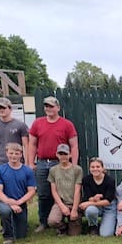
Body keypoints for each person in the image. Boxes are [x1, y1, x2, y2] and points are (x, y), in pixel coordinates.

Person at [28, 96, 79, 232]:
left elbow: (74, 146)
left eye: (51, 106)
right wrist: (30, 162)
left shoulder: (67, 124)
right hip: (42, 163)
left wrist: (73, 164)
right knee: (44, 194)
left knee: (62, 192)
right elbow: (32, 144)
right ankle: (44, 222)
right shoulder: (37, 123)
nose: (48, 109)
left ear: (58, 108)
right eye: (46, 106)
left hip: (60, 162)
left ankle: (59, 221)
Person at [0, 143, 36, 244]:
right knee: (5, 211)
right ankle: (8, 236)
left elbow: (31, 190)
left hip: (20, 202)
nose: (14, 156)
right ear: (6, 154)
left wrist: (19, 202)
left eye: (17, 153)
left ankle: (15, 224)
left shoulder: (28, 171)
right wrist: (10, 203)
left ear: (21, 155)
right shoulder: (0, 169)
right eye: (11, 153)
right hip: (5, 201)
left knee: (21, 235)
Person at [0, 97, 29, 178]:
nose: (1, 110)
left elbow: (26, 145)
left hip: (18, 162)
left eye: (4, 108)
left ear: (10, 109)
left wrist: (26, 164)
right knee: (1, 188)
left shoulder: (20, 125)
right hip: (0, 163)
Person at [47, 144, 83, 237]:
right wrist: (62, 206)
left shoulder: (77, 169)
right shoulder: (53, 170)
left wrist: (74, 209)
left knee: (74, 234)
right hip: (60, 202)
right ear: (57, 155)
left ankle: (72, 224)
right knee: (52, 221)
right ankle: (62, 228)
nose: (63, 156)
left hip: (74, 203)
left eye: (65, 154)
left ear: (70, 155)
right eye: (61, 154)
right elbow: (54, 191)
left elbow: (77, 190)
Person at [78, 157, 117, 236]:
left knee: (106, 234)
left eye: (98, 167)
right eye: (92, 167)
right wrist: (93, 199)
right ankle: (93, 226)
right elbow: (88, 196)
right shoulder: (86, 180)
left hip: (108, 207)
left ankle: (111, 222)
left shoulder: (110, 180)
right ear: (89, 168)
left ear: (102, 168)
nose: (95, 169)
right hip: (95, 205)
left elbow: (108, 201)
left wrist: (89, 203)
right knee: (90, 210)